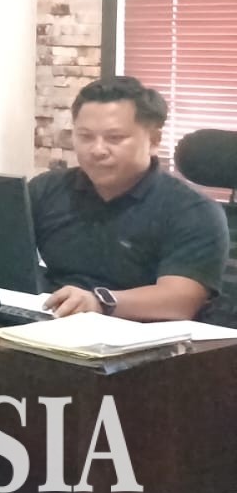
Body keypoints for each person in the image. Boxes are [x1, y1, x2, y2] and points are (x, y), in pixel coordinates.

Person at [31, 78, 230, 320]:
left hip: (142, 333)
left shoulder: (193, 211)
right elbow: (6, 259)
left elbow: (180, 300)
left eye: (115, 138)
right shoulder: (47, 189)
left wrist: (98, 302)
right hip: (52, 321)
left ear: (154, 141)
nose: (97, 150)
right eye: (85, 137)